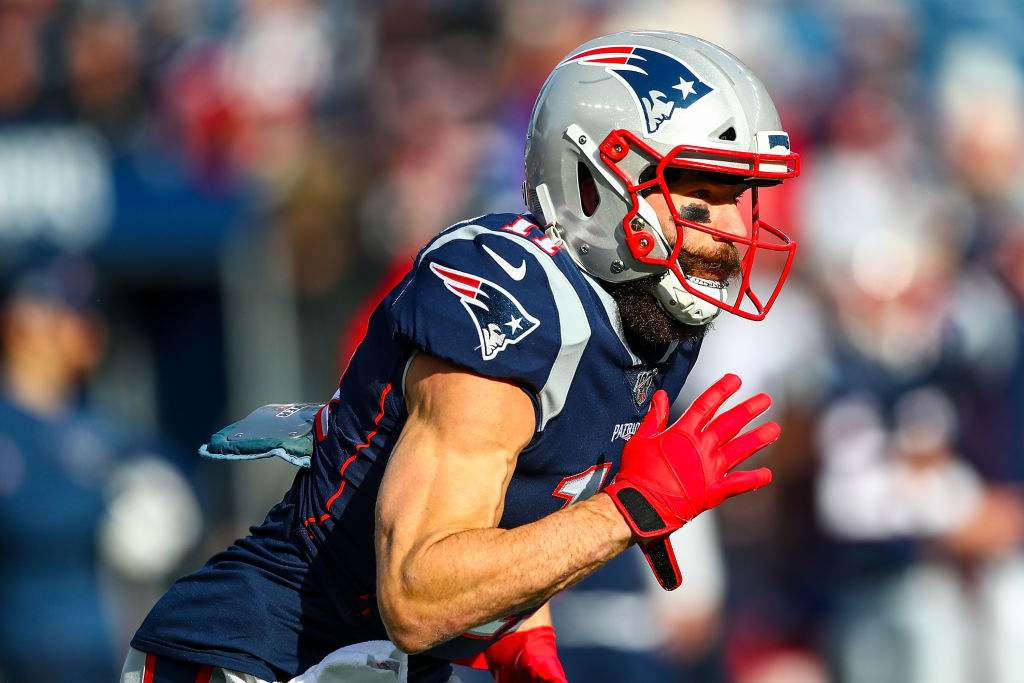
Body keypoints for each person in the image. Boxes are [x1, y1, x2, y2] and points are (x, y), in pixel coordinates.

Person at [122, 30, 800, 683]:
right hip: (258, 654)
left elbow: (510, 488)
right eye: (702, 192)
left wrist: (517, 624)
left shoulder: (652, 319)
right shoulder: (517, 301)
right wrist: (630, 511)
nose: (734, 230)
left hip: (378, 662)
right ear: (595, 181)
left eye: (741, 194)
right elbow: (418, 593)